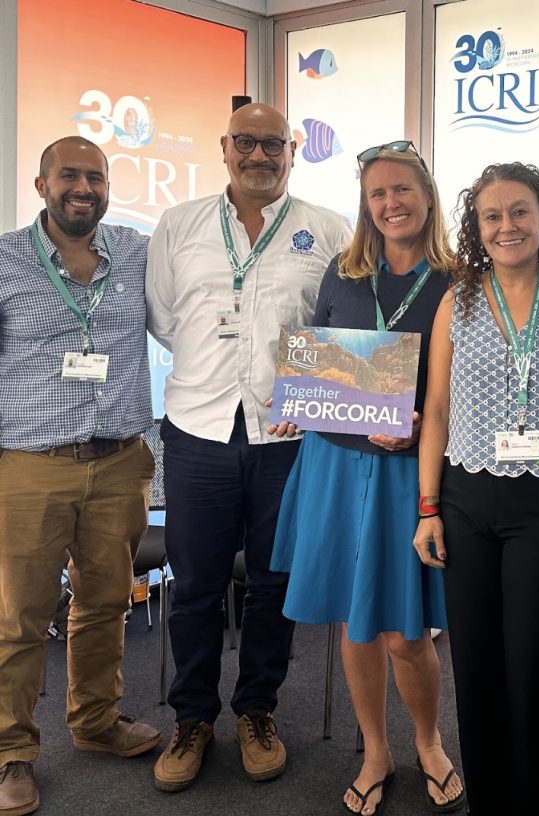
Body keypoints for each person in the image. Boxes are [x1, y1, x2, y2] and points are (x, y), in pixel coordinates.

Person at [145, 103, 351, 793]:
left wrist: (305, 393)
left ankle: (257, 710)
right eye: (246, 143)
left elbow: (339, 326)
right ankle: (193, 718)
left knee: (273, 583)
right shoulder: (180, 225)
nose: (258, 155)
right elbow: (168, 319)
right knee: (196, 586)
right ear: (225, 146)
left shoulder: (327, 229)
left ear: (291, 150)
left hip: (285, 438)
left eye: (272, 144)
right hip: (198, 429)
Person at [270, 141, 465, 816]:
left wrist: (421, 428)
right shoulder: (344, 272)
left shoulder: (457, 280)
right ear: (366, 204)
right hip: (334, 466)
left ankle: (431, 742)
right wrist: (296, 398)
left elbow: (471, 386)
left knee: (404, 632)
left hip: (409, 474)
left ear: (427, 196)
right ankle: (376, 750)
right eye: (378, 194)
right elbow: (321, 359)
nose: (390, 204)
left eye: (402, 190)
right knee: (357, 625)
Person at [414, 162, 539, 816]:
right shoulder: (461, 298)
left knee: (537, 669)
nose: (506, 225)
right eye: (492, 215)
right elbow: (437, 410)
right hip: (465, 501)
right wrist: (428, 508)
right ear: (475, 228)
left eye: (519, 211)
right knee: (477, 670)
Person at [0, 136, 159, 816]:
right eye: (69, 175)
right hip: (31, 466)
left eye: (95, 177)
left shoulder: (135, 253)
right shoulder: (5, 261)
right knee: (19, 617)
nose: (83, 188)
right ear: (42, 184)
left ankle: (95, 722)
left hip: (120, 460)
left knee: (105, 603)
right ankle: (12, 753)